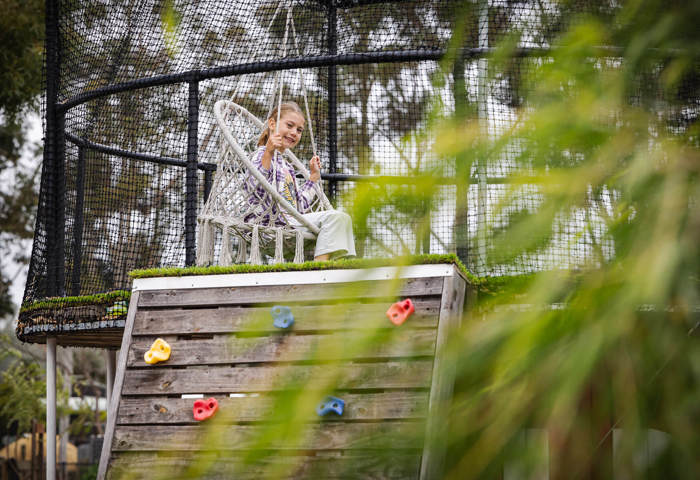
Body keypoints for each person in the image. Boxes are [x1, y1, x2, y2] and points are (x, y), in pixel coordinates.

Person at [245, 101, 355, 261]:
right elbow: (254, 188)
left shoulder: (287, 167)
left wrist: (313, 178)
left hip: (291, 223)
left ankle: (337, 265)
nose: (294, 132)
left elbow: (299, 206)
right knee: (336, 218)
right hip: (269, 226)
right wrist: (268, 152)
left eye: (299, 130)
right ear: (272, 123)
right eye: (289, 125)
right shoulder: (260, 155)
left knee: (342, 219)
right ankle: (321, 268)